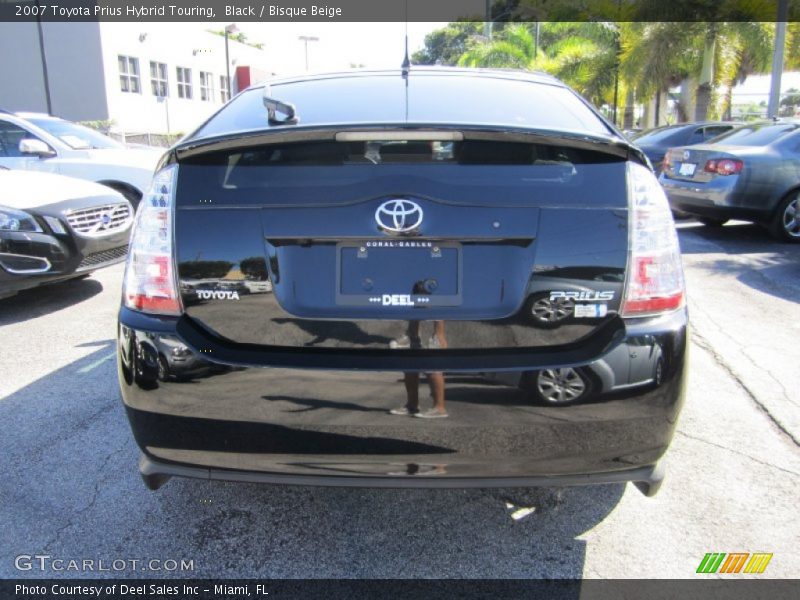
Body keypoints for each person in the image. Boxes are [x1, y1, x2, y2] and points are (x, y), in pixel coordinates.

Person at [389, 320, 448, 418]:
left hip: (436, 322)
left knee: (435, 349)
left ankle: (439, 408)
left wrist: (439, 335)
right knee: (410, 356)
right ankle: (412, 405)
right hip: (415, 329)